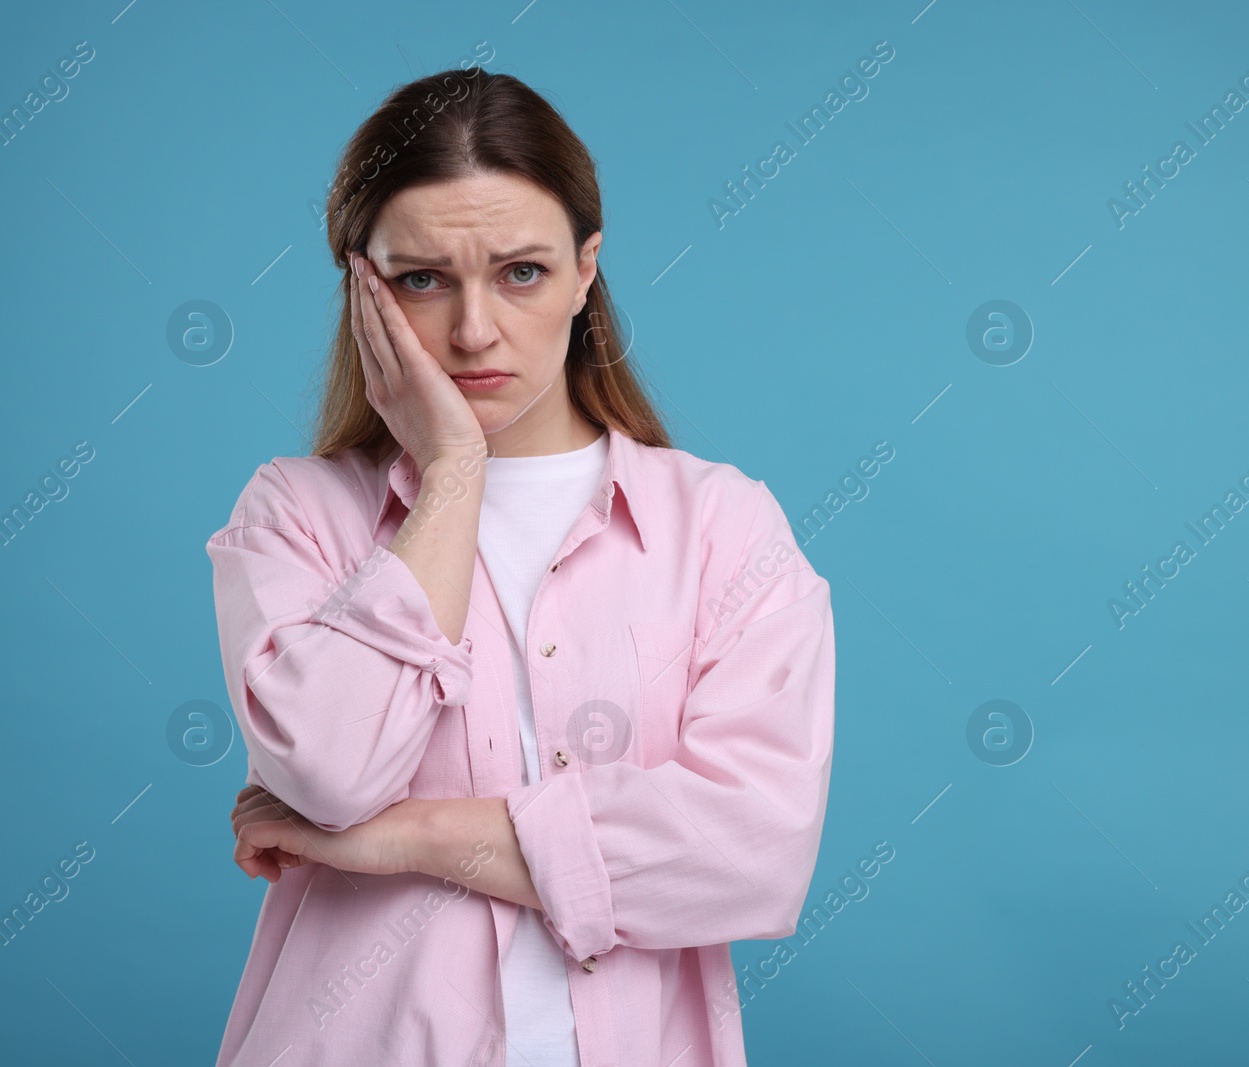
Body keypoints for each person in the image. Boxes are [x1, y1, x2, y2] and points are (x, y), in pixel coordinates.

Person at [207, 66, 835, 1067]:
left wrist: (399, 837)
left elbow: (753, 850)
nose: (471, 331)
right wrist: (454, 471)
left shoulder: (720, 525)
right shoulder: (297, 514)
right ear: (361, 284)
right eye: (421, 278)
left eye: (522, 272)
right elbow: (328, 772)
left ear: (588, 269)